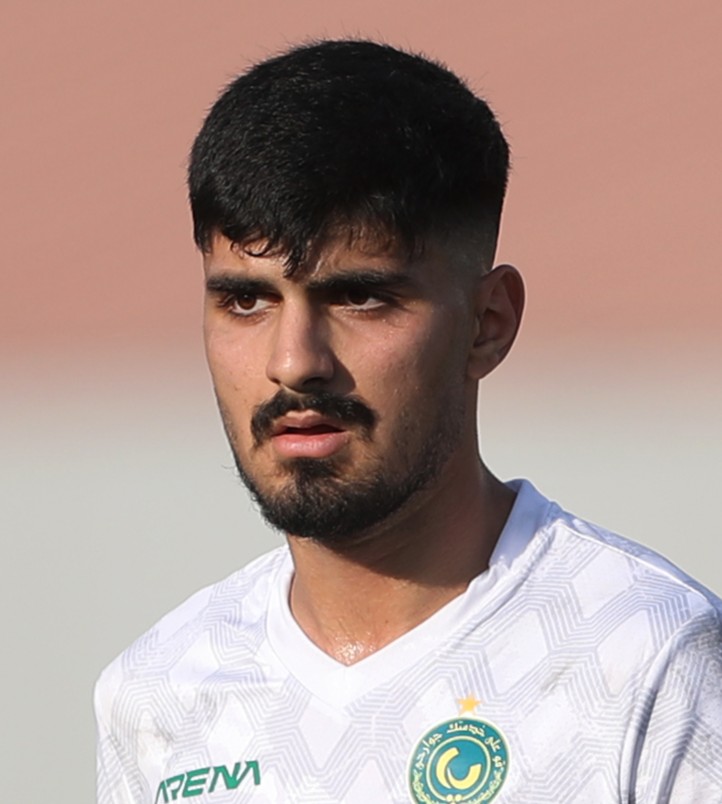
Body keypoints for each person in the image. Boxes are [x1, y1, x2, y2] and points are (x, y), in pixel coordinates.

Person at [95, 39, 722, 803]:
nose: (294, 362)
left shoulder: (647, 657)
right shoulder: (159, 695)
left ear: (488, 324)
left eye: (359, 297)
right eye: (246, 300)